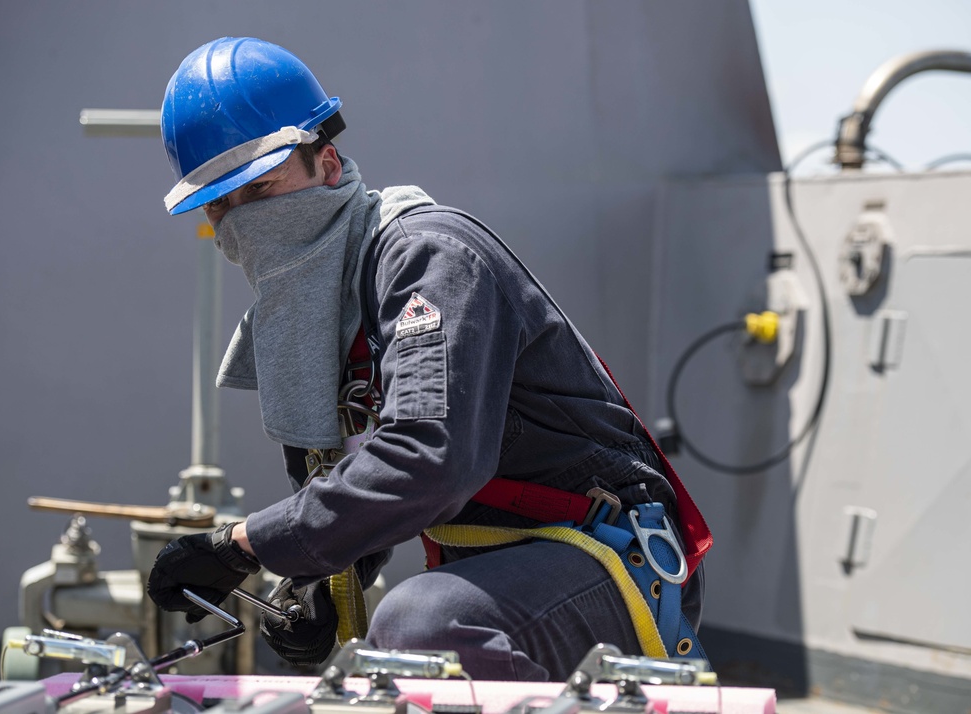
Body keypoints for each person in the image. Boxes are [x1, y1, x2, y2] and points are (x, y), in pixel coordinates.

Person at [147, 36, 712, 682]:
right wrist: (319, 587)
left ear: (328, 164)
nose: (242, 221)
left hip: (613, 556)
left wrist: (241, 545)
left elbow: (427, 460)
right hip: (510, 564)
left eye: (261, 188)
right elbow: (362, 481)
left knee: (420, 626)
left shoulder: (426, 259)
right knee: (398, 640)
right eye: (221, 205)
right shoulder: (324, 312)